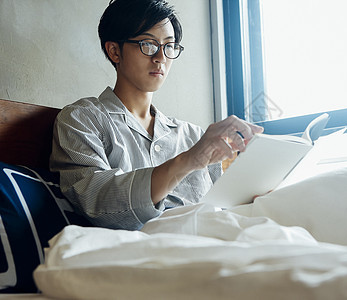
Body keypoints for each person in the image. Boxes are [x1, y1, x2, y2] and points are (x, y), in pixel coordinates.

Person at [50, 0, 263, 230]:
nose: (161, 57)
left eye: (169, 46)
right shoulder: (81, 120)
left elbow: (229, 208)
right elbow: (97, 201)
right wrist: (188, 160)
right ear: (114, 51)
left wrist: (257, 196)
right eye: (148, 44)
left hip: (217, 241)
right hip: (146, 253)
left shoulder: (192, 135)